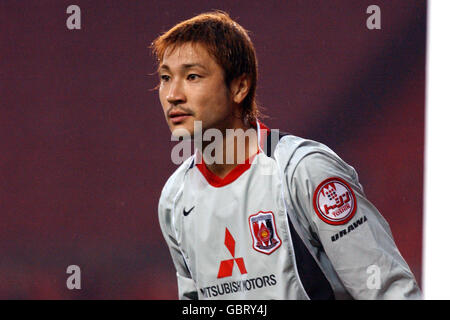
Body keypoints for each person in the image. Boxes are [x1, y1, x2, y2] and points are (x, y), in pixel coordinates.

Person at [152, 11, 422, 300]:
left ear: (239, 87)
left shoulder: (303, 171)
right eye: (166, 78)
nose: (172, 94)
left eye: (192, 76)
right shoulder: (175, 198)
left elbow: (387, 291)